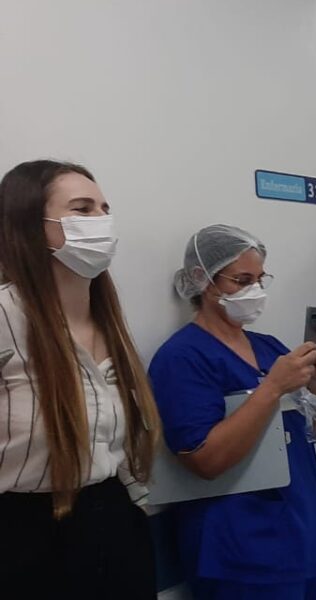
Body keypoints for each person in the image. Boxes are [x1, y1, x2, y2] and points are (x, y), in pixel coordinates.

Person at [148, 225, 316, 599]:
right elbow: (204, 459)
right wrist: (272, 388)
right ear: (203, 280)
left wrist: (315, 381)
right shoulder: (182, 358)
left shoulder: (269, 347)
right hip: (242, 546)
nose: (255, 290)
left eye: (260, 278)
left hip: (303, 533)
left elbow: (312, 429)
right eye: (242, 280)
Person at [0, 160, 162, 598]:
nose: (101, 221)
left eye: (104, 209)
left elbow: (119, 448)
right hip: (24, 536)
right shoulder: (5, 318)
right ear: (32, 225)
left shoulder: (109, 322)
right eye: (83, 209)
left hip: (113, 524)